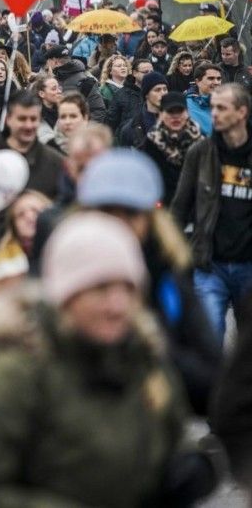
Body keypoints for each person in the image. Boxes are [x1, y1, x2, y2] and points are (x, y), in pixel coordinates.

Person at [0, 212, 217, 508]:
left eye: (127, 289)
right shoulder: (15, 372)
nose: (116, 305)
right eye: (100, 289)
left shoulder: (144, 363)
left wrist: (187, 470)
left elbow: (169, 443)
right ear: (66, 295)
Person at [76, 150, 221, 415]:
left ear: (149, 219)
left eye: (130, 213)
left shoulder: (168, 280)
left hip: (150, 432)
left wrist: (151, 349)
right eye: (107, 211)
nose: (118, 224)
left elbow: (211, 383)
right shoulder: (63, 271)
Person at [172, 83, 252, 344]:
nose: (214, 113)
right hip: (210, 264)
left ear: (242, 113)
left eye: (221, 108)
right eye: (213, 107)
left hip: (248, 265)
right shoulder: (201, 152)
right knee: (208, 340)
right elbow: (180, 207)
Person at [141, 91, 203, 204]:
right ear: (160, 114)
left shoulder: (200, 142)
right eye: (170, 112)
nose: (176, 117)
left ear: (187, 113)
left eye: (180, 111)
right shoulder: (151, 143)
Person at [43, 45, 106, 123]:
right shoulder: (51, 80)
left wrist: (81, 131)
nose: (47, 65)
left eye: (48, 61)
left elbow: (98, 111)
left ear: (55, 62)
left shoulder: (86, 82)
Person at [106, 58, 153, 138]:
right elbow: (111, 122)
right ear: (134, 73)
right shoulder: (121, 94)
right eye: (145, 72)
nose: (149, 75)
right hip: (129, 141)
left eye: (151, 72)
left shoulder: (158, 93)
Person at [119, 71, 168, 148]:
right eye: (157, 90)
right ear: (146, 94)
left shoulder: (177, 121)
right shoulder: (131, 128)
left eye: (165, 89)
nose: (163, 93)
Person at [186, 62, 223, 136]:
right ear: (197, 82)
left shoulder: (229, 103)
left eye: (219, 79)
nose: (216, 82)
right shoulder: (186, 105)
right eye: (211, 78)